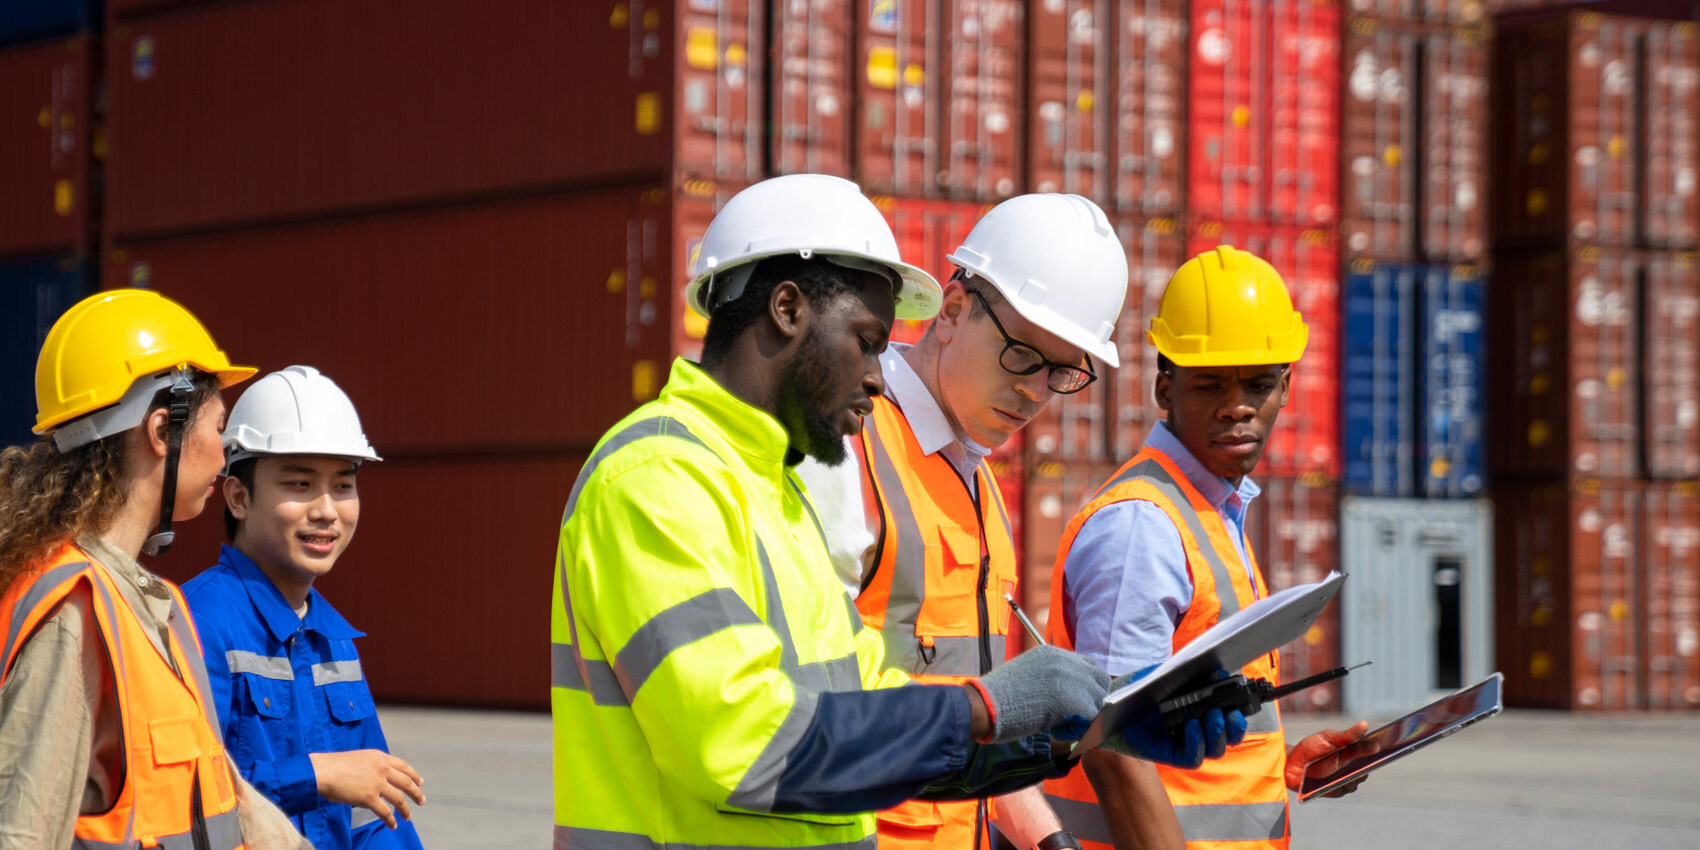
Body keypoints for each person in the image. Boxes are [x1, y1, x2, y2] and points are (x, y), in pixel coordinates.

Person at [550, 174, 1239, 850]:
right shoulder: (658, 479)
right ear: (787, 309)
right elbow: (744, 744)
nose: (882, 377)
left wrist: (1078, 732)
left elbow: (867, 713)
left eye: (1058, 374)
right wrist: (983, 706)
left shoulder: (773, 493)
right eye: (869, 340)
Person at [796, 193, 1196, 850]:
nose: (1038, 391)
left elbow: (983, 723)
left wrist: (1046, 839)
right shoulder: (847, 452)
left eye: (1065, 371)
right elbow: (813, 713)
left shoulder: (977, 479)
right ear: (952, 311)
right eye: (1024, 356)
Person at [1043, 246, 1370, 850]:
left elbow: (1187, 727)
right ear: (1164, 388)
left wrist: (1285, 765)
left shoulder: (1212, 509)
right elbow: (1115, 751)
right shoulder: (1143, 525)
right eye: (1209, 384)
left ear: (1287, 386)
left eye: (1258, 384)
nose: (1238, 405)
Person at [0, 289, 311, 850]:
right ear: (163, 432)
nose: (225, 454)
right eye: (219, 428)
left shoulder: (150, 605)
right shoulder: (74, 611)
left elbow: (220, 792)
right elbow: (22, 831)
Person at [182, 365, 428, 850]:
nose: (327, 511)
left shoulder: (333, 640)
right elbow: (181, 797)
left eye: (343, 485)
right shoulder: (194, 624)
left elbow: (374, 811)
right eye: (299, 485)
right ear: (238, 497)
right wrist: (314, 776)